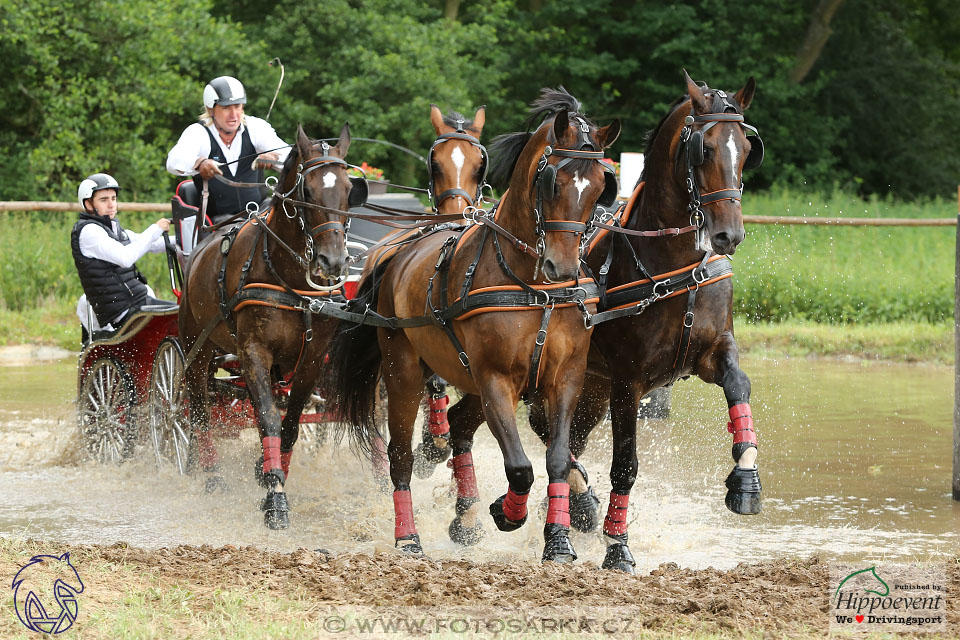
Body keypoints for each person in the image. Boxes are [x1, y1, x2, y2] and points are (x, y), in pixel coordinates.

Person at [165, 75, 290, 223]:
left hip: (260, 210)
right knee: (236, 231)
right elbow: (173, 162)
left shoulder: (256, 127)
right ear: (211, 109)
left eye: (237, 106)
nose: (234, 115)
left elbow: (290, 157)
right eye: (226, 108)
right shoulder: (198, 132)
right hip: (219, 221)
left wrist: (274, 157)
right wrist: (200, 163)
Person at [72, 173, 173, 341]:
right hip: (123, 311)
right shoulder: (89, 232)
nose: (111, 204)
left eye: (113, 198)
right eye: (104, 200)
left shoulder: (113, 229)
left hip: (137, 302)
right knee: (182, 314)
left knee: (183, 311)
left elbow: (151, 244)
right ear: (88, 204)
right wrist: (155, 229)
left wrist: (194, 240)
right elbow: (125, 257)